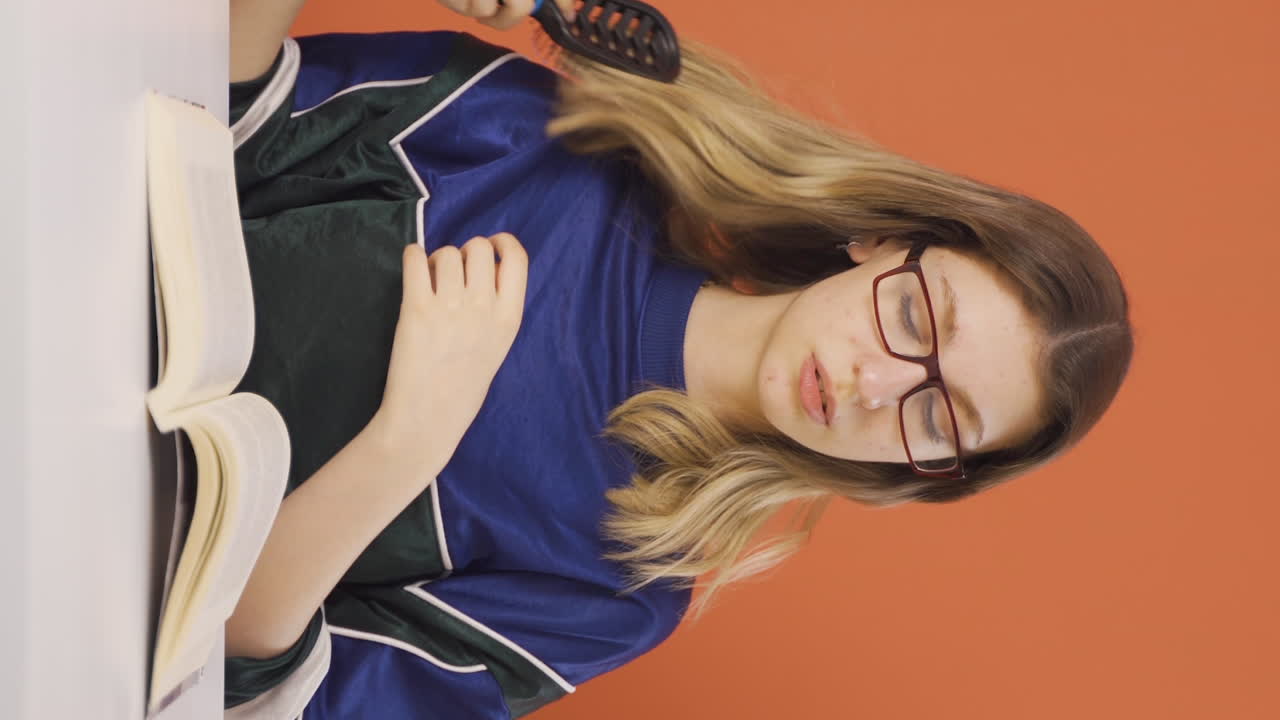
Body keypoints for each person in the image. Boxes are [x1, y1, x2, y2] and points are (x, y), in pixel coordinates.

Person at [222, 1, 1134, 717]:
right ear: (886, 242)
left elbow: (252, 691)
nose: (874, 382)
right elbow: (208, 116)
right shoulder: (546, 145)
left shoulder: (619, 590)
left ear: (924, 474)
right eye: (914, 316)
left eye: (936, 417)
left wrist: (404, 447)